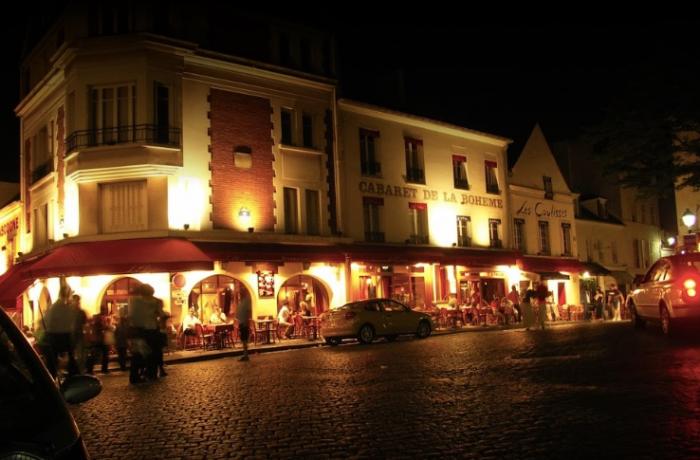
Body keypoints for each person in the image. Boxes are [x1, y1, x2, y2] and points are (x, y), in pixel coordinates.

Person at [41, 284, 79, 378]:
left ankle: (54, 377)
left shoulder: (55, 307)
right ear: (67, 294)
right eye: (70, 293)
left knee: (54, 363)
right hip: (60, 336)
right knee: (68, 359)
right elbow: (71, 322)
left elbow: (46, 322)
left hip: (55, 336)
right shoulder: (64, 308)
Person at [71, 294, 88, 373]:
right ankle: (76, 370)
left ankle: (80, 370)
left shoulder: (81, 312)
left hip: (79, 335)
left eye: (78, 301)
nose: (77, 302)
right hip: (71, 336)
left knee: (80, 355)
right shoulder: (69, 311)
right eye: (76, 301)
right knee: (73, 354)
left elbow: (85, 324)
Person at [236, 295, 252, 361]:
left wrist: (246, 322)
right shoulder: (243, 304)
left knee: (244, 340)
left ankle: (246, 355)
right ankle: (245, 354)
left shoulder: (244, 303)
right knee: (244, 340)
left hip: (243, 324)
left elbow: (247, 313)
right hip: (243, 324)